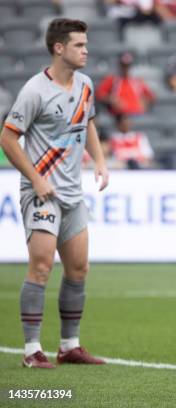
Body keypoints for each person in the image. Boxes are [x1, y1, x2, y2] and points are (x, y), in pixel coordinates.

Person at [0, 18, 109, 369]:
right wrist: (36, 178)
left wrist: (100, 161)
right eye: (79, 45)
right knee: (42, 267)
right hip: (42, 193)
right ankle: (32, 350)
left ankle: (69, 346)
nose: (86, 50)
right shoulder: (35, 90)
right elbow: (7, 137)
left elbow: (87, 122)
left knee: (78, 268)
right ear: (59, 48)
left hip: (72, 193)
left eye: (86, 44)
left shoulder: (86, 84)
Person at [96, 51, 156, 117]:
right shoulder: (112, 80)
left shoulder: (137, 81)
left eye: (128, 66)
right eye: (123, 66)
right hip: (120, 116)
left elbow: (151, 96)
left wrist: (145, 103)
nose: (126, 68)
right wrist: (111, 99)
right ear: (119, 65)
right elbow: (99, 94)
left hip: (137, 115)